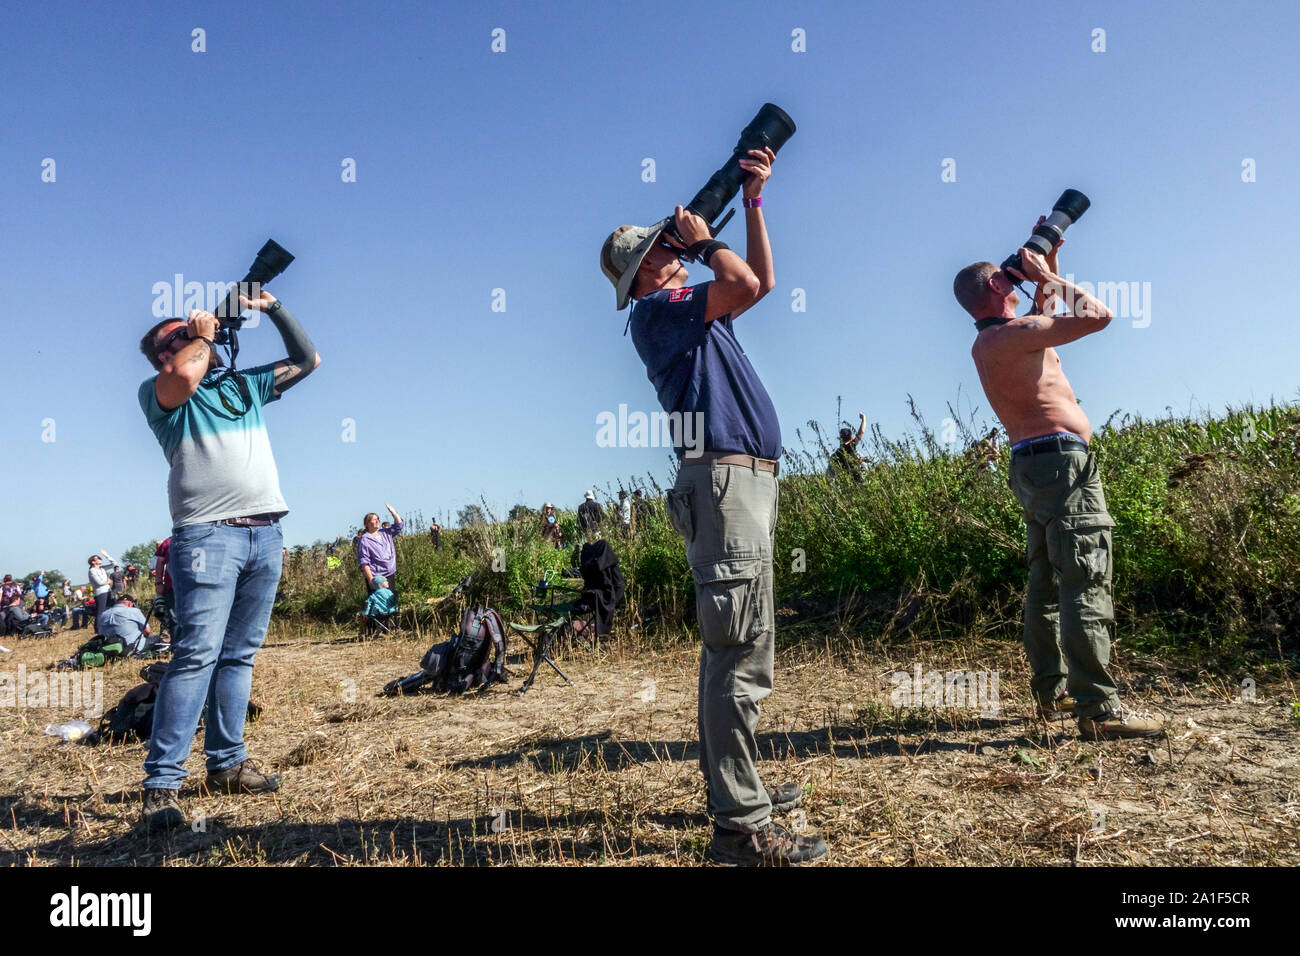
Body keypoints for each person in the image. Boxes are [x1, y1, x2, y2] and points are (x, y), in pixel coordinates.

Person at [602, 145, 824, 865]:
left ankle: (738, 790)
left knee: (734, 647)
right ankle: (740, 828)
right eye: (662, 251)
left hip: (740, 481)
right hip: (724, 483)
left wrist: (754, 200)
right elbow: (740, 280)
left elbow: (757, 281)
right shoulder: (657, 315)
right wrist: (705, 242)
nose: (674, 255)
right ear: (645, 272)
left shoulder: (689, 313)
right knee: (739, 653)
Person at [954, 230, 1165, 741]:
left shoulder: (995, 339)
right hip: (1062, 467)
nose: (1017, 284)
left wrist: (1048, 258)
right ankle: (1099, 709)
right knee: (1086, 577)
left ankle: (1054, 693)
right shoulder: (1013, 333)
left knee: (1046, 583)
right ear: (994, 289)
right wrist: (1047, 276)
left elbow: (1047, 318)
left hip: (1033, 464)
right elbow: (1097, 316)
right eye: (1008, 280)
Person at [135, 286, 321, 829]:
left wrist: (276, 309)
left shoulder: (243, 385)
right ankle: (162, 784)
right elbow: (186, 376)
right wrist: (200, 335)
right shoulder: (161, 392)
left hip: (265, 535)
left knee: (239, 655)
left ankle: (227, 764)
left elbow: (309, 361)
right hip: (207, 537)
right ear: (163, 354)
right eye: (179, 336)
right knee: (196, 655)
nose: (195, 336)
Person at [356, 503, 403, 592]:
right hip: (376, 577)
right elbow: (364, 562)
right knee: (379, 603)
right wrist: (370, 580)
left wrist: (393, 513)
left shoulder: (385, 533)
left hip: (389, 574)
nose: (377, 521)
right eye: (374, 519)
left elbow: (399, 526)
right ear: (367, 523)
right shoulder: (365, 540)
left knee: (390, 602)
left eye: (378, 519)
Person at [828, 413, 867, 483]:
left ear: (840, 439)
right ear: (851, 437)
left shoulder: (836, 454)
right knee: (859, 455)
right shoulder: (850, 446)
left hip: (845, 484)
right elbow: (861, 432)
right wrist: (863, 419)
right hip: (858, 481)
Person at [87, 555, 113, 623]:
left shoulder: (102, 569)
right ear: (93, 562)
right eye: (97, 558)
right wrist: (108, 582)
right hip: (100, 593)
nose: (100, 559)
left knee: (111, 609)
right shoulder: (92, 571)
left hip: (108, 591)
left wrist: (107, 556)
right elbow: (99, 582)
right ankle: (98, 629)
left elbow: (114, 564)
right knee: (101, 611)